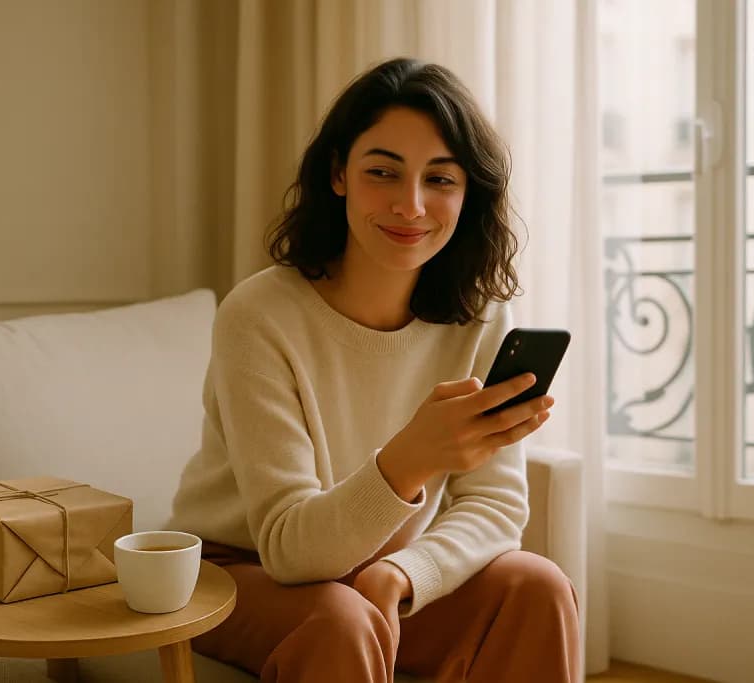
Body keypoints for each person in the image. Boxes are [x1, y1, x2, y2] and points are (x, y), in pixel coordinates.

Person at [168, 57, 580, 682]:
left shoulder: (480, 316)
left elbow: (495, 506)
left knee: (536, 586)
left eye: (439, 179)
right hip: (239, 569)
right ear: (339, 173)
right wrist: (412, 457)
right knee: (340, 620)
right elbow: (288, 549)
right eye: (383, 172)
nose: (410, 205)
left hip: (377, 568)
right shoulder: (259, 315)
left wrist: (401, 574)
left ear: (467, 193)